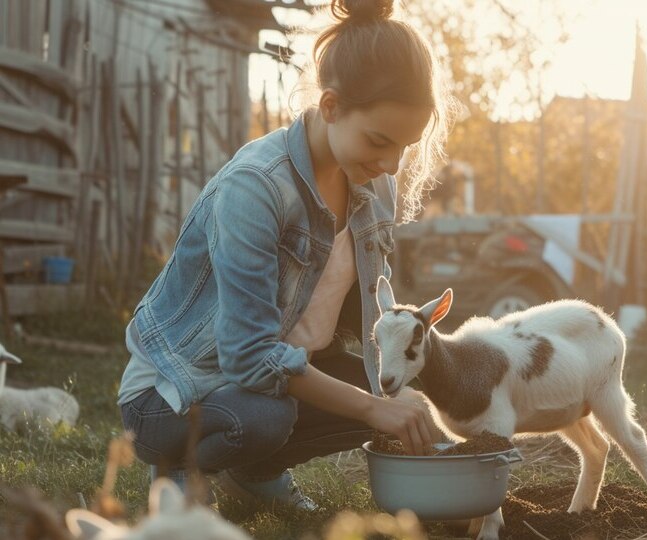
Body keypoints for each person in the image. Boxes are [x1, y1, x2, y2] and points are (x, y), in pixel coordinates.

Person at [116, 0, 453, 512]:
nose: (390, 163)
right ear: (333, 106)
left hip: (272, 380)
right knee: (271, 417)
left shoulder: (370, 183)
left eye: (404, 147)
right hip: (175, 395)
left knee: (394, 395)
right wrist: (369, 408)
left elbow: (364, 315)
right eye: (379, 140)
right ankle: (181, 472)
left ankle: (254, 470)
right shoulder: (255, 188)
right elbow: (248, 356)